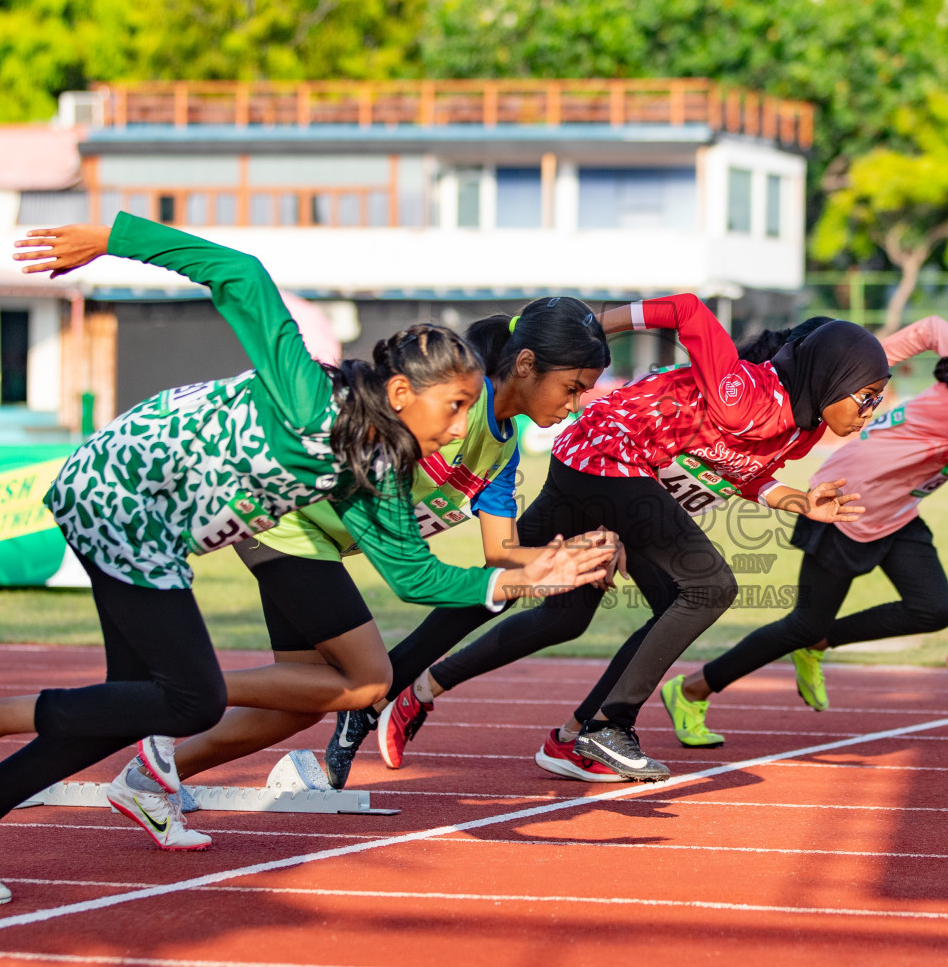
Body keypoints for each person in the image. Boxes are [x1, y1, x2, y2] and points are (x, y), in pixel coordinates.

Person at [0, 215, 609, 903]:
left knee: (125, 709)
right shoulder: (308, 393)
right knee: (193, 697)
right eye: (454, 408)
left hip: (159, 531)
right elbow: (238, 274)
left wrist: (528, 572)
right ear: (400, 394)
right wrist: (110, 239)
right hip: (117, 487)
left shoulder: (377, 468)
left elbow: (414, 576)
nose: (461, 428)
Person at [98, 298, 619, 851]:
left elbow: (502, 550)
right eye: (573, 386)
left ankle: (151, 777)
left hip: (317, 541)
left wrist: (572, 555)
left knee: (305, 702)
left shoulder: (505, 446)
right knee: (366, 680)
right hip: (290, 521)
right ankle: (174, 692)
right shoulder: (451, 397)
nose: (577, 403)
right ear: (525, 364)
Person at [357, 299, 893, 783]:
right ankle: (604, 726)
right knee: (707, 588)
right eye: (866, 397)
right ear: (832, 375)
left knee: (550, 605)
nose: (868, 413)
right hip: (612, 459)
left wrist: (794, 499)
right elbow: (686, 310)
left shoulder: (802, 429)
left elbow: (740, 467)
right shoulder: (749, 394)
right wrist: (598, 324)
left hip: (587, 459)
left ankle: (409, 689)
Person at [657, 318, 948, 748]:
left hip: (897, 508)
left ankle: (818, 644)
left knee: (933, 607)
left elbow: (932, 329)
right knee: (802, 623)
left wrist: (867, 371)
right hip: (846, 501)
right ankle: (692, 689)